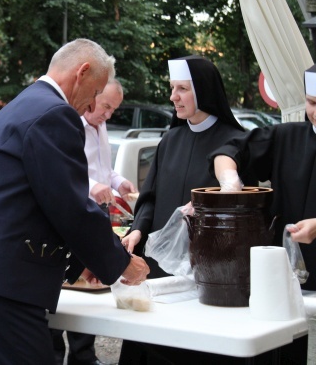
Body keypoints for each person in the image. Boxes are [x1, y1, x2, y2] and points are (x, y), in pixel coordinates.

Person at [0, 38, 149, 363]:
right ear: (82, 72)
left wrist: (85, 258)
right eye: (95, 93)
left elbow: (31, 200)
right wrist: (120, 262)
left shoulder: (16, 109)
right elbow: (70, 206)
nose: (92, 106)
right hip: (2, 282)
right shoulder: (54, 114)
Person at [118, 55, 256, 364]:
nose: (173, 97)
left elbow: (242, 207)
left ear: (204, 91)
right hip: (160, 264)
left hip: (208, 270)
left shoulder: (234, 143)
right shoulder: (170, 139)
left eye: (182, 88)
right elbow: (150, 197)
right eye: (172, 88)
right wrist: (137, 229)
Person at [52, 78, 136, 365]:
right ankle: (53, 353)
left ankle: (83, 355)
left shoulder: (100, 127)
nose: (108, 115)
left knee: (91, 287)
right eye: (106, 107)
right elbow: (63, 171)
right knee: (65, 284)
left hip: (99, 213)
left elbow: (105, 170)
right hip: (73, 212)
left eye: (113, 110)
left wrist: (119, 181)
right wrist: (90, 186)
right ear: (94, 97)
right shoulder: (71, 124)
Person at [213, 63, 316, 289]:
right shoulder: (287, 137)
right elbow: (230, 151)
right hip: (284, 277)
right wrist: (229, 179)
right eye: (312, 103)